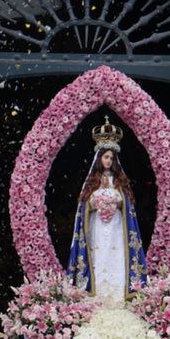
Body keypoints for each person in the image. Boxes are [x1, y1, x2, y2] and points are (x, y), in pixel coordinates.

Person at [66, 118, 147, 305]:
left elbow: (128, 206)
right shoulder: (91, 181)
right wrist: (97, 203)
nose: (109, 161)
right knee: (98, 255)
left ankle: (118, 299)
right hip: (97, 226)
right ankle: (97, 297)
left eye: (111, 158)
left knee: (115, 256)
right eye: (106, 157)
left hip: (116, 226)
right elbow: (84, 206)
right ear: (99, 157)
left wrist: (115, 203)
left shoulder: (120, 181)